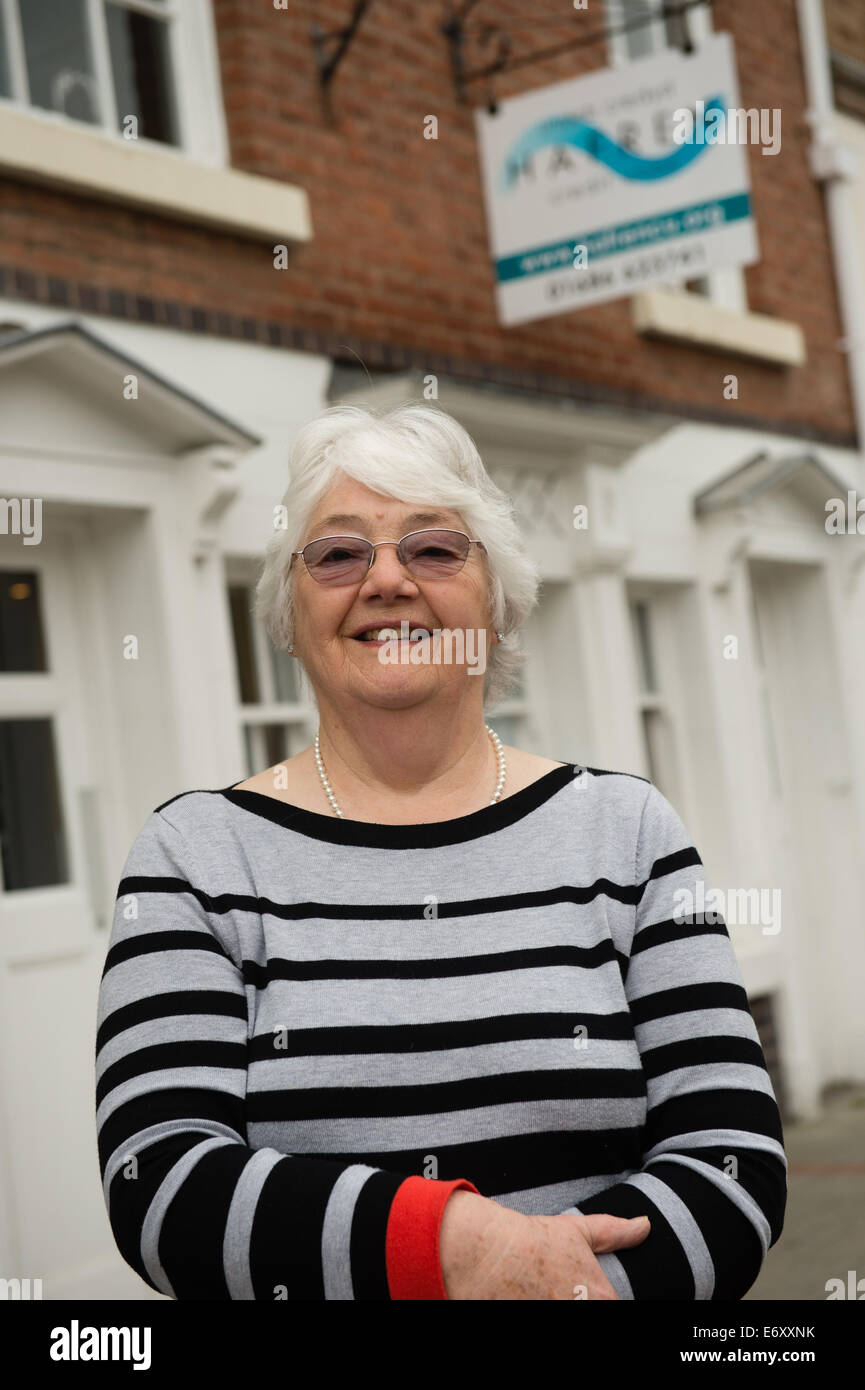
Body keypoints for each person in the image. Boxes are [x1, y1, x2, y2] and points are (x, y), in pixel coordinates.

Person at [95, 401, 786, 1300]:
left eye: (432, 548)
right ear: (288, 613)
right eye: (339, 554)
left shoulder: (626, 829)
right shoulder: (196, 854)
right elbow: (160, 1183)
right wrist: (453, 1246)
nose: (386, 581)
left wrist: (573, 1289)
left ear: (494, 603)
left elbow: (731, 1159)